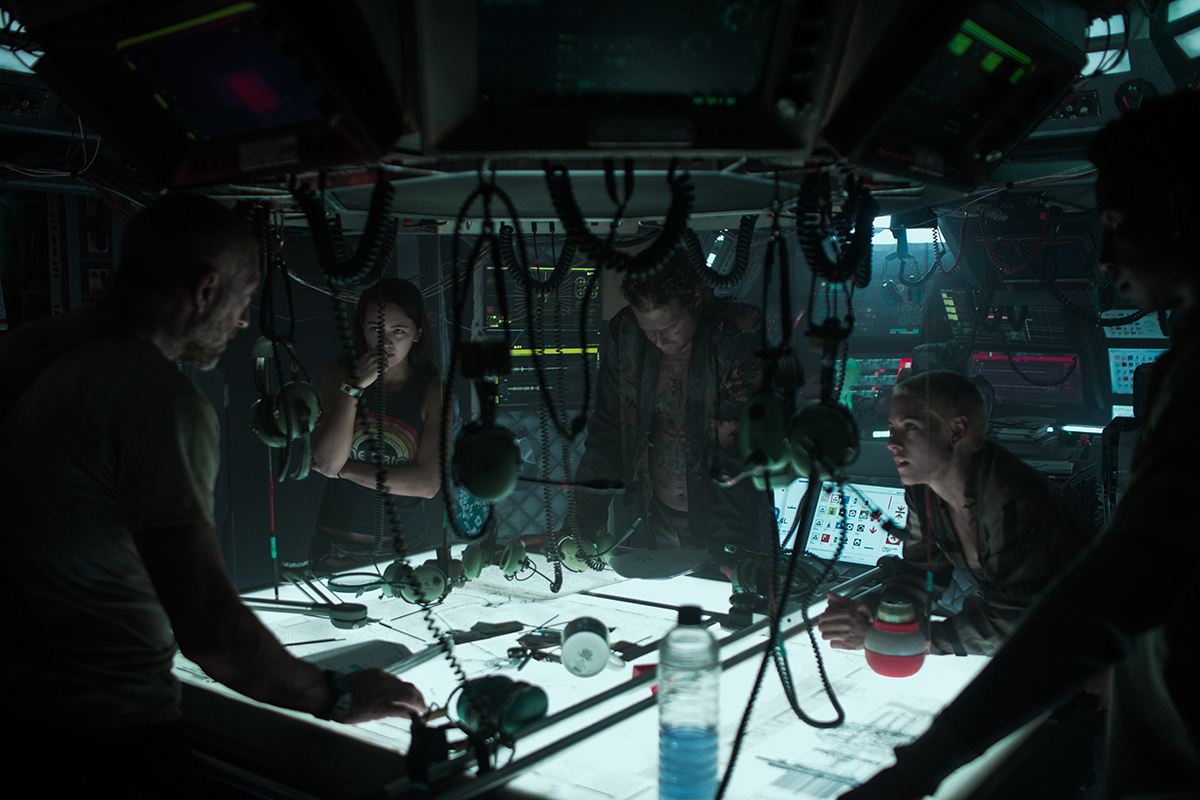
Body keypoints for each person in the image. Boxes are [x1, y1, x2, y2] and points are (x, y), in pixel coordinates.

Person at [0, 194, 427, 795]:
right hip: (104, 728)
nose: (245, 319)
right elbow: (209, 627)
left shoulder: (27, 350)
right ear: (205, 289)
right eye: (243, 297)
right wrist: (335, 694)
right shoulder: (158, 400)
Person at [841, 91, 1200, 799]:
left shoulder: (1014, 497)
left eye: (1115, 223)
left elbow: (1121, 583)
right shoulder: (1181, 360)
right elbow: (923, 571)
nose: (1103, 258)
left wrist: (922, 765)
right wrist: (891, 614)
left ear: (1183, 209)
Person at [819, 371, 1093, 656]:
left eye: (909, 427)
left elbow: (1012, 624)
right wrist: (874, 608)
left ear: (956, 431)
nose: (893, 443)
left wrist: (898, 639)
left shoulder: (1011, 499)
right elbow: (921, 574)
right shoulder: (923, 489)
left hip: (1085, 644)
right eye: (892, 428)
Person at [538, 252, 772, 571]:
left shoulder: (737, 330)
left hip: (731, 524)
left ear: (696, 297)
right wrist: (580, 527)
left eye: (670, 327)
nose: (660, 341)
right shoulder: (626, 332)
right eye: (649, 330)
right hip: (651, 516)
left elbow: (741, 447)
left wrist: (733, 551)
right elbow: (607, 432)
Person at [308, 279, 445, 573]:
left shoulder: (433, 392)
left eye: (399, 331)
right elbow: (327, 461)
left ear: (418, 333)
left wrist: (346, 470)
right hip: (337, 545)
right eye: (375, 329)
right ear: (362, 329)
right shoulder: (335, 378)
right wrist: (353, 389)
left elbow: (427, 484)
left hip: (407, 546)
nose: (386, 343)